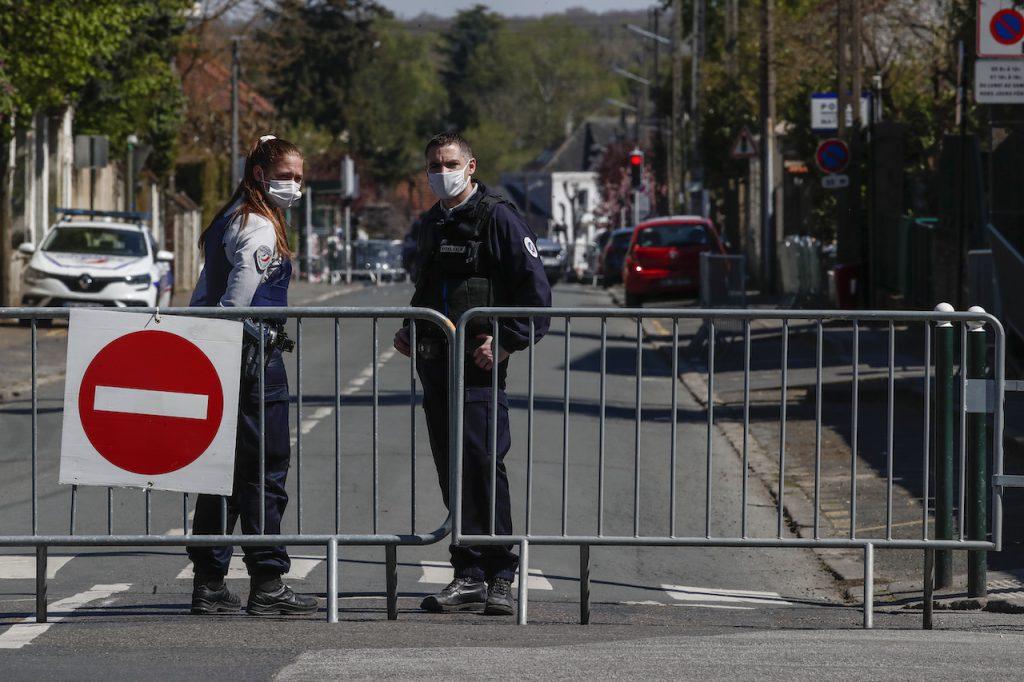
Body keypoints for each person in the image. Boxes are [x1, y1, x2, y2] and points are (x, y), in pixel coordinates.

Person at [394, 132, 552, 616]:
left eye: (450, 162)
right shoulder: (430, 225)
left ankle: (499, 574)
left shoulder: (499, 219)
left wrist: (507, 343)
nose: (442, 171)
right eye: (434, 165)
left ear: (471, 165)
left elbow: (535, 296)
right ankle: (466, 573)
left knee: (483, 464)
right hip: (436, 364)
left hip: (479, 368)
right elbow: (427, 289)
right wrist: (409, 328)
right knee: (451, 468)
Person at [186, 135, 318, 617]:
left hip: (228, 359)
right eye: (288, 176)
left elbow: (203, 296)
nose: (296, 185)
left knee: (222, 473)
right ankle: (267, 582)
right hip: (253, 361)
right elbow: (232, 305)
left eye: (300, 177)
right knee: (266, 470)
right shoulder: (259, 227)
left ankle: (210, 582)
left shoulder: (231, 215)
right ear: (261, 175)